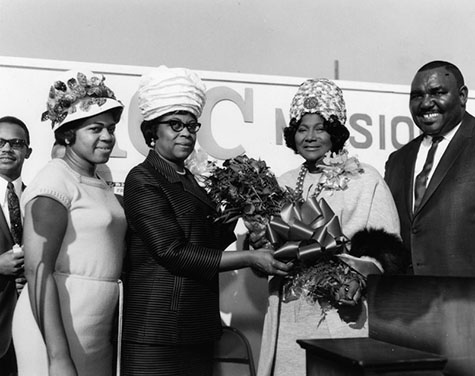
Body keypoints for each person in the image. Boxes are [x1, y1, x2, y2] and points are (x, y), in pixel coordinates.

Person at [121, 65, 291, 376]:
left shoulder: (190, 180)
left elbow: (208, 240)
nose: (186, 133)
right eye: (175, 125)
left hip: (196, 327)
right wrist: (250, 257)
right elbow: (172, 251)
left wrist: (244, 213)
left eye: (191, 125)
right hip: (157, 332)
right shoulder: (142, 178)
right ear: (152, 131)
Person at [257, 78, 404, 376]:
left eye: (320, 128)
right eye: (301, 129)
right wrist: (260, 247)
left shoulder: (365, 179)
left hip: (341, 317)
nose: (310, 137)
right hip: (288, 317)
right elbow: (261, 257)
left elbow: (387, 252)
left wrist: (357, 281)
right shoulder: (280, 183)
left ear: (335, 133)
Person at [12, 70, 126, 376]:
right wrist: (58, 357)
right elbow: (38, 271)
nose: (107, 137)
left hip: (93, 329)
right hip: (54, 330)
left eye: (111, 128)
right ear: (66, 135)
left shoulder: (98, 181)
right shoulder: (54, 179)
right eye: (95, 129)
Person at [385, 60, 475, 276]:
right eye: (417, 96)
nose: (426, 103)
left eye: (437, 92)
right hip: (409, 302)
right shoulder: (397, 161)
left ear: (462, 96)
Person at [0, 116, 32, 376]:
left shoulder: (38, 201)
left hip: (29, 329)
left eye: (16, 143)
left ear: (28, 151)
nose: (6, 149)